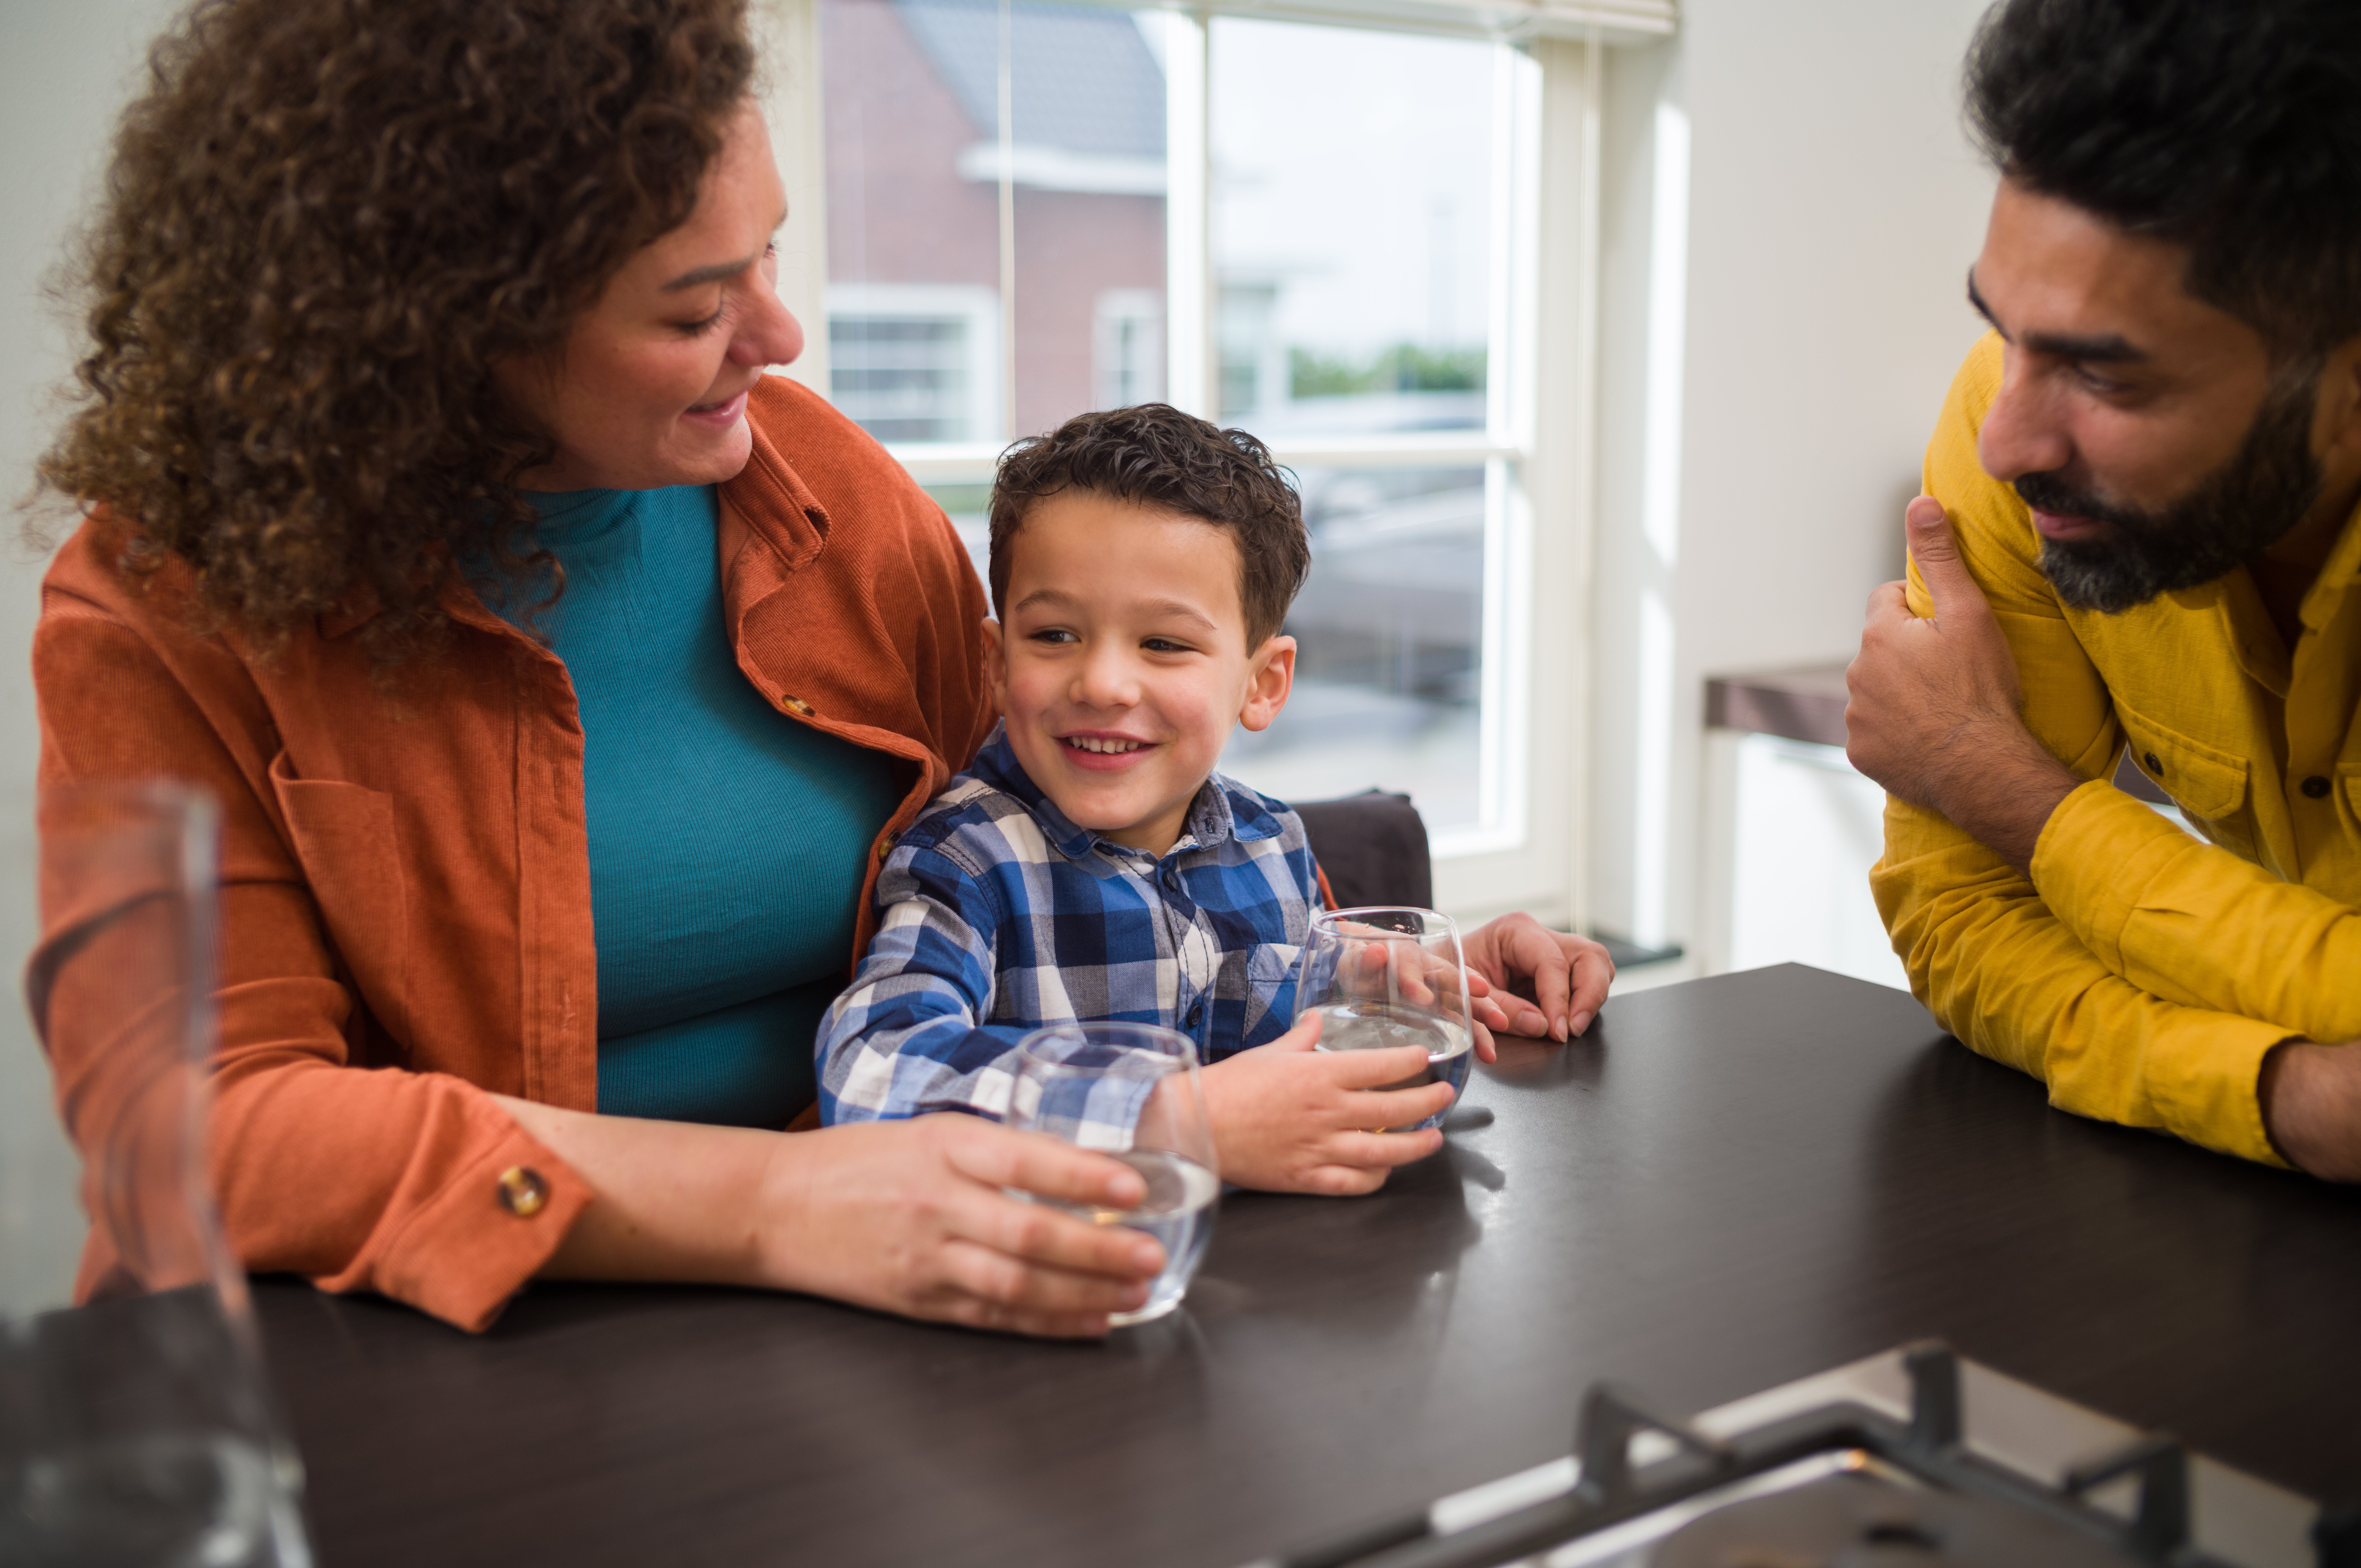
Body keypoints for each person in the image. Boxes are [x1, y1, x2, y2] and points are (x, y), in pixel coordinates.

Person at [30, 0, 1613, 1336]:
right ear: (439, 328)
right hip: (438, 1349)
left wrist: (1390, 966)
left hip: (895, 1280)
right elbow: (197, 1126)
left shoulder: (823, 492)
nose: (779, 336)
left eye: (767, 254)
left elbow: (1083, 832)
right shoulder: (168, 604)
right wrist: (781, 1201)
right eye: (696, 302)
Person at [818, 408, 1609, 1192]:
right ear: (995, 664)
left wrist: (1453, 973)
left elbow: (1300, 1015)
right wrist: (1181, 1114)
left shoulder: (1272, 842)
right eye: (1055, 635)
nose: (1102, 683)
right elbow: (870, 1074)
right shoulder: (965, 860)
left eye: (1163, 644)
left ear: (1262, 685)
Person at [1844, 0, 2361, 1180]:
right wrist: (2281, 1093)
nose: (2005, 441)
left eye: (2107, 377)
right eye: (2006, 331)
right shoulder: (2005, 417)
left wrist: (2006, 787)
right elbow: (1963, 924)